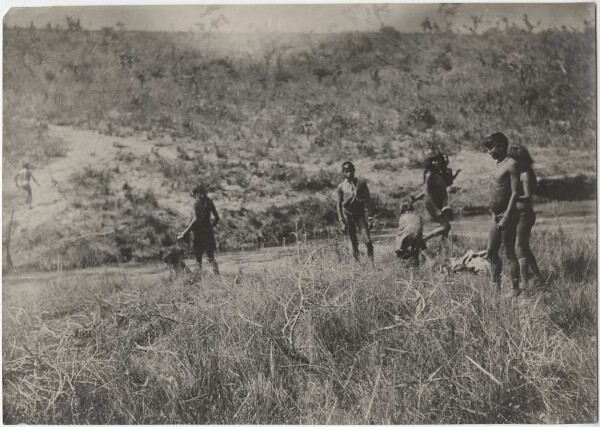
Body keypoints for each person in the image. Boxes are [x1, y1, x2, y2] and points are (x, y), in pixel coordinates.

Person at [484, 133, 521, 296]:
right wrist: (494, 213)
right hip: (496, 215)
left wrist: (507, 216)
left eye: (490, 148)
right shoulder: (499, 164)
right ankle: (496, 286)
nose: (489, 152)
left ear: (500, 146)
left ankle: (515, 289)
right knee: (491, 251)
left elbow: (515, 193)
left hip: (508, 215)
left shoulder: (511, 164)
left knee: (509, 252)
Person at [507, 144, 542, 288]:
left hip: (525, 214)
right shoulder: (520, 172)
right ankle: (538, 276)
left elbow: (527, 196)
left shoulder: (525, 173)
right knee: (525, 248)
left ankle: (525, 283)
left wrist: (511, 198)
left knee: (519, 246)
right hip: (520, 213)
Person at [412, 153, 460, 241]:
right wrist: (436, 209)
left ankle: (443, 244)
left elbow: (440, 189)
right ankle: (424, 239)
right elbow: (426, 193)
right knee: (447, 226)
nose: (435, 162)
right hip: (433, 205)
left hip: (440, 203)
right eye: (433, 161)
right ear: (429, 163)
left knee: (446, 227)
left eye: (437, 160)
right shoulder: (429, 175)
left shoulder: (437, 173)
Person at [177, 184, 220, 276]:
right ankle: (218, 277)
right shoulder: (209, 201)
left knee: (198, 260)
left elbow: (196, 219)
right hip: (208, 233)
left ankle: (199, 282)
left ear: (195, 193)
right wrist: (210, 228)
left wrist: (185, 232)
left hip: (198, 234)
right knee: (211, 257)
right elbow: (217, 218)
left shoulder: (196, 203)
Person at [336, 161, 374, 262]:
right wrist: (342, 221)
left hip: (360, 215)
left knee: (368, 240)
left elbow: (368, 200)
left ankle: (372, 263)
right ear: (343, 172)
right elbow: (339, 205)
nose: (349, 173)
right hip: (348, 216)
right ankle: (357, 265)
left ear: (354, 171)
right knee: (354, 242)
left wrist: (370, 217)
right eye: (346, 171)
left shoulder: (361, 184)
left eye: (351, 171)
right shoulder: (341, 187)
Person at [395, 198, 427, 267]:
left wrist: (399, 245)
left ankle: (400, 254)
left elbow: (401, 230)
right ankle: (416, 270)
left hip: (406, 235)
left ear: (402, 209)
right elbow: (420, 228)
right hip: (418, 236)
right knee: (415, 253)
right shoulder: (417, 216)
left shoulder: (402, 217)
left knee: (400, 244)